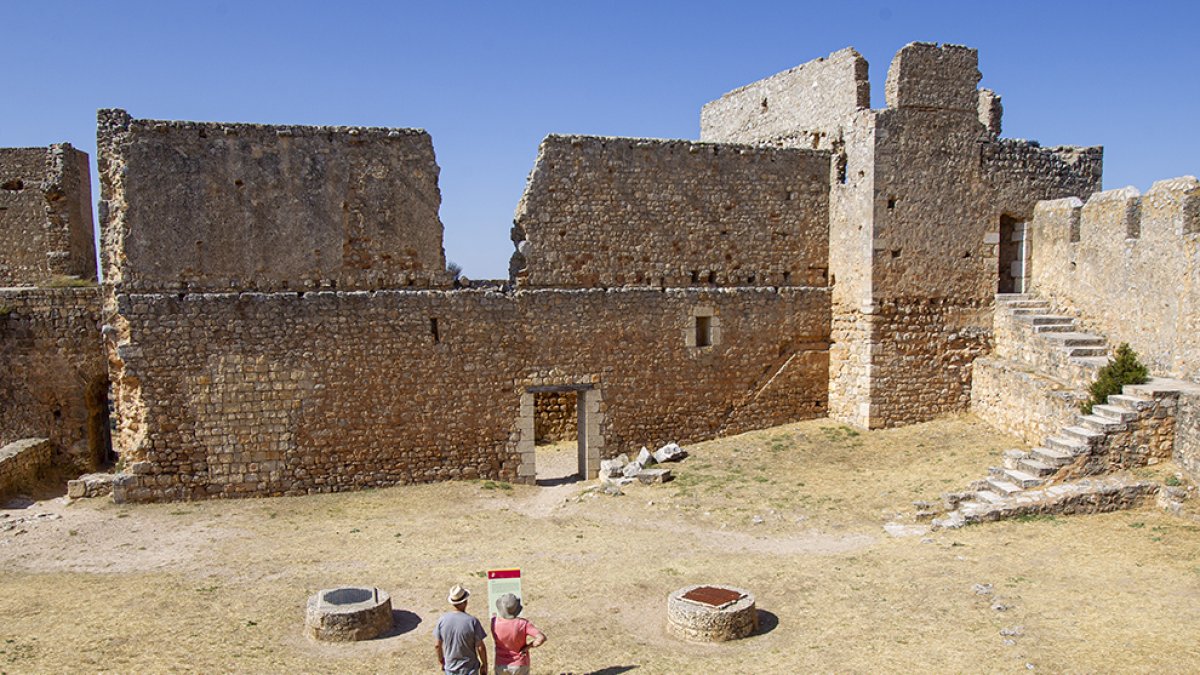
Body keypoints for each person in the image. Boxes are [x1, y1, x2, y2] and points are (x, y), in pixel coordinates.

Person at [434, 584, 488, 675]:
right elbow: (480, 647)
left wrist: (441, 660)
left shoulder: (442, 620)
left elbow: (437, 645)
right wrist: (484, 664)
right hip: (470, 669)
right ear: (465, 602)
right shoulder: (472, 621)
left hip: (450, 668)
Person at [490, 593, 546, 675]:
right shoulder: (523, 623)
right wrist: (528, 647)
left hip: (501, 663)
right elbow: (541, 638)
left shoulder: (494, 622)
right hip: (520, 663)